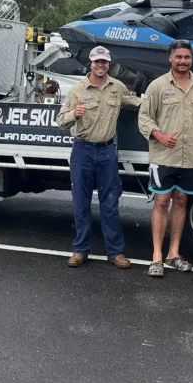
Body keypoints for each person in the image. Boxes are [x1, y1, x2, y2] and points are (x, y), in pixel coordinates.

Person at [138, 39, 193, 278]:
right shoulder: (157, 86)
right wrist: (160, 135)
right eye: (179, 57)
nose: (183, 61)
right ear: (170, 58)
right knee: (161, 202)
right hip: (164, 155)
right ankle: (156, 257)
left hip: (192, 157)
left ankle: (173, 254)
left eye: (187, 57)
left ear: (191, 59)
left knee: (180, 201)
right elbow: (144, 117)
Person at [58, 45, 142, 269]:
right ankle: (80, 250)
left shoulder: (117, 87)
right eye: (97, 62)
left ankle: (116, 253)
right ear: (90, 64)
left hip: (106, 152)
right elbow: (60, 120)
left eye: (104, 62)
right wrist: (73, 115)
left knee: (110, 204)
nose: (101, 65)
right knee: (81, 204)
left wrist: (154, 102)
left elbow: (134, 102)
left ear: (109, 64)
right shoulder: (77, 90)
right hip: (82, 151)